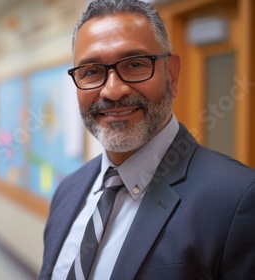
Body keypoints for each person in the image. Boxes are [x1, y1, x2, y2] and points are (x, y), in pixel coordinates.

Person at [39, 1, 255, 279]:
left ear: (173, 75)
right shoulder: (68, 191)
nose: (113, 91)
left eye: (135, 64)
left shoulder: (236, 201)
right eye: (91, 71)